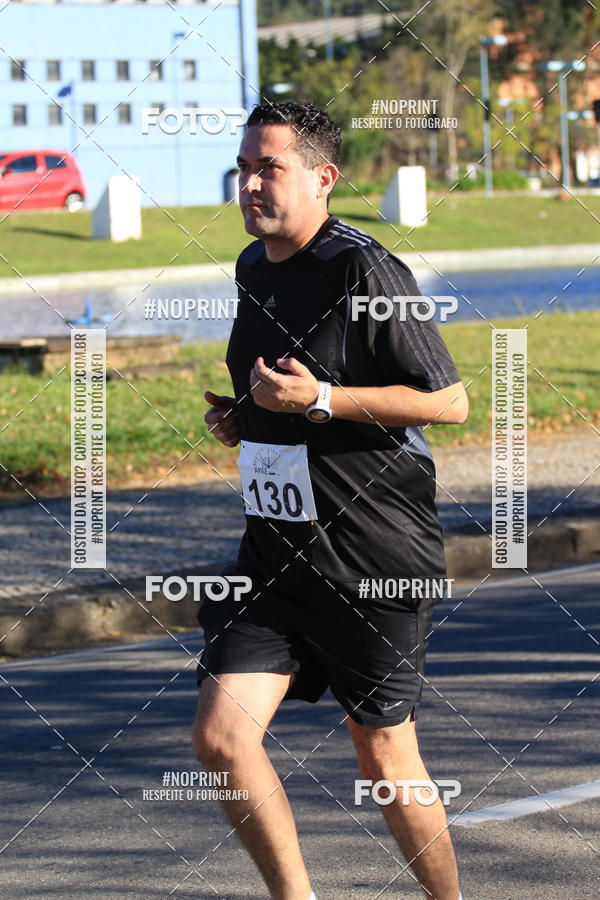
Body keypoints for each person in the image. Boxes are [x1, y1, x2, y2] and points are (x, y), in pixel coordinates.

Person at [192, 100, 468, 900]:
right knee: (220, 738)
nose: (250, 183)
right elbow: (276, 389)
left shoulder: (366, 269)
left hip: (374, 554)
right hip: (278, 552)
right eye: (244, 167)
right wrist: (243, 418)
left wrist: (322, 400)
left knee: (382, 757)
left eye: (268, 167)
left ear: (323, 177)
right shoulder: (252, 266)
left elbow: (448, 402)